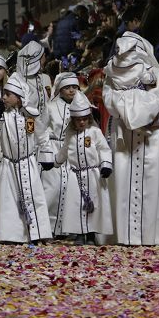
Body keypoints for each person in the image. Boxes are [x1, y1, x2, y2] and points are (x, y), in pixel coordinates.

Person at [103, 32, 159, 246]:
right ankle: (123, 236)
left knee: (154, 182)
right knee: (121, 181)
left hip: (150, 136)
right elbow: (108, 101)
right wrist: (129, 108)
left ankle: (156, 235)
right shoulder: (111, 74)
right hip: (123, 136)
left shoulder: (155, 74)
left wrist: (152, 114)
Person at [0, 72, 53, 244]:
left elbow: (41, 134)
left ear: (19, 97)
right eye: (4, 94)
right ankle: (12, 235)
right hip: (9, 165)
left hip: (28, 162)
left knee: (34, 197)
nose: (4, 98)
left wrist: (47, 154)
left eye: (8, 95)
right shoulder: (3, 116)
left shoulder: (30, 115)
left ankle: (38, 233)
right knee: (10, 202)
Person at [53, 91, 113, 243]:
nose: (81, 123)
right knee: (76, 204)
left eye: (84, 119)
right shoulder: (70, 135)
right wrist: (55, 162)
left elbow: (104, 149)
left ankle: (91, 234)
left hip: (93, 174)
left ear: (89, 118)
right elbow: (65, 150)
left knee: (94, 204)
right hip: (76, 176)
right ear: (73, 120)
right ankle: (79, 234)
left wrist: (106, 165)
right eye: (78, 120)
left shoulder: (95, 132)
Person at [43, 72, 80, 235]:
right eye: (67, 87)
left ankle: (67, 229)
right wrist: (46, 152)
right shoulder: (50, 107)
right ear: (60, 89)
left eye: (74, 87)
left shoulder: (81, 106)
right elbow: (41, 130)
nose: (72, 91)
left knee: (72, 188)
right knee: (52, 188)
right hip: (54, 149)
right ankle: (47, 227)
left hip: (73, 152)